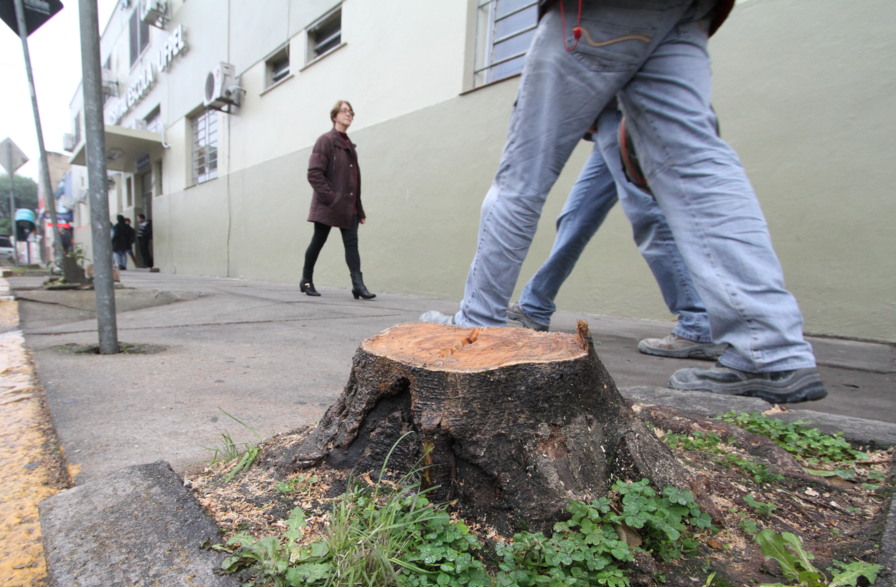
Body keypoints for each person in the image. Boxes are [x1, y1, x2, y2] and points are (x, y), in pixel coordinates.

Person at [420, 0, 825, 403]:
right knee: (699, 166)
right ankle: (771, 348)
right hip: (686, 12)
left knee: (521, 178)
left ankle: (477, 325)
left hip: (599, 11)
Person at [508, 106, 724, 361]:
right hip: (604, 129)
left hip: (627, 118)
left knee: (647, 214)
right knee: (575, 217)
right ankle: (535, 305)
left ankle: (698, 324)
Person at [301, 100, 375, 300]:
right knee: (318, 241)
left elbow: (354, 181)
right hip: (329, 204)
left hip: (348, 206)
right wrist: (331, 198)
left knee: (352, 244)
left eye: (351, 112)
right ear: (335, 116)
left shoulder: (349, 145)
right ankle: (306, 280)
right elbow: (314, 173)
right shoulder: (325, 140)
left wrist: (359, 209)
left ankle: (358, 285)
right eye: (344, 111)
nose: (348, 115)